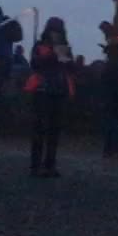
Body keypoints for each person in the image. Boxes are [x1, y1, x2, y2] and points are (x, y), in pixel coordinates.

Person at [25, 21, 77, 177]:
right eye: (54, 31)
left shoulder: (64, 47)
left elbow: (70, 68)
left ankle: (50, 164)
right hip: (42, 90)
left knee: (55, 130)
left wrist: (69, 61)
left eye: (58, 32)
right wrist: (52, 56)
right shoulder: (40, 46)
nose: (56, 34)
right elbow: (34, 64)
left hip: (58, 91)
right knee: (39, 129)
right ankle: (36, 165)